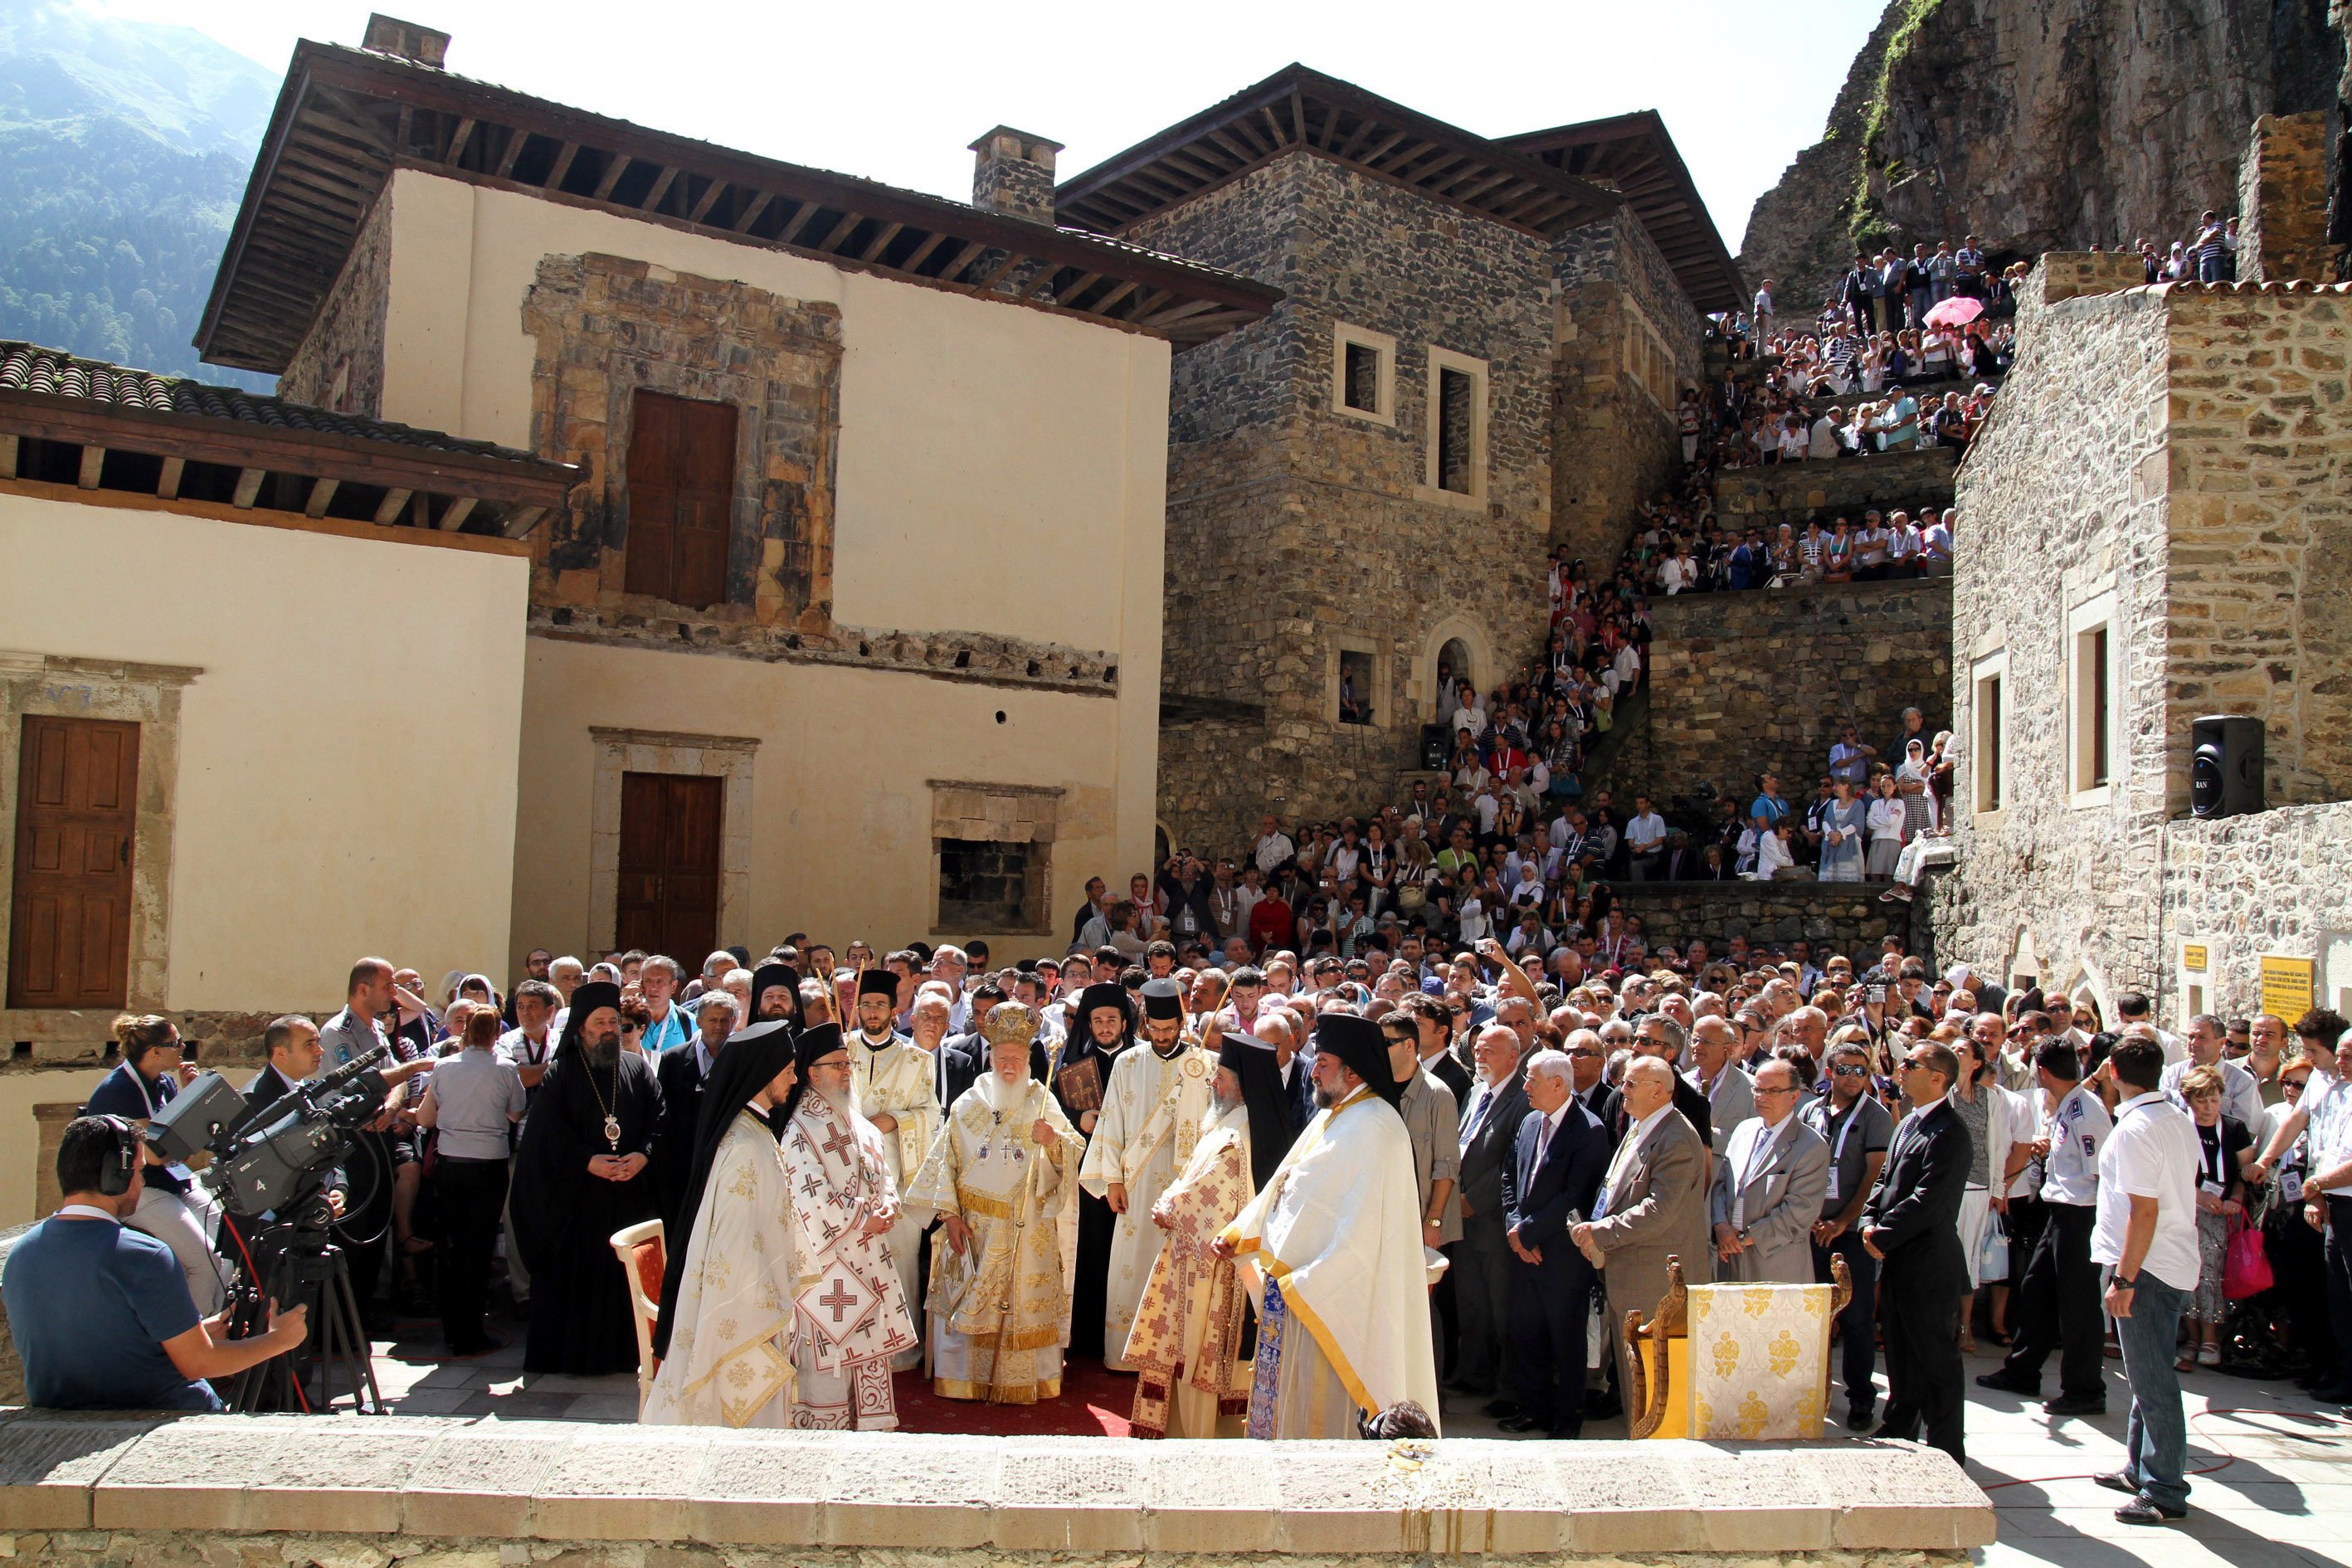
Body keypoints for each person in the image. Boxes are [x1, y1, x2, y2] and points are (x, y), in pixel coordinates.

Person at [1214, 1011, 1442, 1438]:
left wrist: (1308, 1281)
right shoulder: (1334, 1113)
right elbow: (1285, 1180)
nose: (1313, 1072)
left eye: (1322, 1063)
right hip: (1296, 1291)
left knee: (1328, 1412)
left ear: (1351, 1071)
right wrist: (1240, 1231)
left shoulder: (1377, 1126)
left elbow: (1363, 1233)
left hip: (1336, 1299)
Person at [2, 1116, 309, 1410]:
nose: (141, 1182)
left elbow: (98, 1345)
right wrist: (280, 1339)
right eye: (138, 1171)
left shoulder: (21, 1255)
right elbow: (200, 1363)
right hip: (165, 1416)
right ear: (116, 1175)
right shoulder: (144, 1256)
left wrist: (192, 1333)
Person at [904, 1002, 1086, 1403]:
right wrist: (950, 1217)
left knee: (1023, 1306)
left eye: (1017, 1058)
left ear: (1028, 1060)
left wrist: (1053, 1142)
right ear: (990, 1057)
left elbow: (1074, 1150)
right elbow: (943, 1162)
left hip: (1029, 1226)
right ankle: (966, 1381)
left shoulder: (1042, 1100)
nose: (1009, 1066)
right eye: (1002, 1057)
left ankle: (1024, 1382)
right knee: (972, 1301)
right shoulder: (969, 1103)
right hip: (975, 1228)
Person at [1125, 1028, 1297, 1438]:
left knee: (1201, 1352)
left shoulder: (1240, 1135)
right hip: (1197, 1260)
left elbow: (1213, 1201)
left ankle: (1197, 1435)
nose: (1212, 1084)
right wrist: (1170, 1199)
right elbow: (1190, 1175)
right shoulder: (1227, 1125)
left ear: (1241, 1087)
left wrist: (1169, 1208)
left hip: (1216, 1269)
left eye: (1219, 1078)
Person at [641, 1019, 801, 1427]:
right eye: (788, 1071)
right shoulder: (743, 1145)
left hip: (755, 1290)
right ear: (764, 1074)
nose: (794, 1079)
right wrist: (763, 1301)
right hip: (740, 1305)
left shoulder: (754, 1131)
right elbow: (734, 1246)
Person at [507, 981, 663, 1374]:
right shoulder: (561, 1073)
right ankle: (574, 1357)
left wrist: (642, 1155)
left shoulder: (637, 1068)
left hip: (628, 1197)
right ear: (581, 1028)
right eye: (600, 1023)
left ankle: (627, 1355)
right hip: (576, 1204)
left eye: (614, 1022)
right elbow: (546, 1136)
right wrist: (586, 1161)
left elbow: (661, 1119)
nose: (610, 1030)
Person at [778, 1022, 921, 1427]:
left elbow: (883, 1172)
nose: (846, 1072)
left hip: (869, 1256)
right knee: (831, 1357)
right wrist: (864, 1217)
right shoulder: (798, 1131)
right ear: (812, 1072)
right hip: (830, 1265)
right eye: (837, 1064)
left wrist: (890, 1203)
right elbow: (810, 1199)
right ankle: (823, 1435)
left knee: (869, 1347)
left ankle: (870, 1434)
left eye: (848, 1064)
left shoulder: (855, 1120)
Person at [2093, 1035, 2204, 1525]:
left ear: (2115, 1071)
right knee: (2145, 1374)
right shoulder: (2174, 1117)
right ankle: (2141, 1470)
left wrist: (2124, 1278)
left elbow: (2145, 1211)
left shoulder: (2138, 1128)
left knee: (2153, 1379)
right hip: (2164, 1261)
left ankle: (2164, 1489)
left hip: (2148, 1268)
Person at [1079, 976, 1215, 1371]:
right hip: (1136, 1185)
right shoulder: (1128, 1063)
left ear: (1182, 1025)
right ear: (1145, 1025)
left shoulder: (1203, 1065)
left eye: (1169, 1029)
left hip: (1185, 1184)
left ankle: (1174, 1355)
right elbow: (1112, 1122)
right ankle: (1127, 1354)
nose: (1162, 1036)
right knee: (1133, 1262)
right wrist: (1113, 1181)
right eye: (1155, 1029)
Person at [1981, 1039, 2111, 1414]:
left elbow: (2099, 1172)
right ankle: (2023, 1370)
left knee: (2078, 1305)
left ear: (2042, 1071)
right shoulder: (2069, 1103)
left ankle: (2085, 1389)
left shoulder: (2085, 1110)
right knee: (2036, 1290)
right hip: (2059, 1212)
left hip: (2080, 1215)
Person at [1571, 1055, 1710, 1402]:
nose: (1623, 1090)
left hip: (1655, 1282)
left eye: (1632, 1084)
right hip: (1630, 1274)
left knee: (1657, 1392)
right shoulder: (1642, 1125)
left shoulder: (1676, 1138)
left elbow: (1659, 1211)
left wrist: (1600, 1232)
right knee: (1638, 1390)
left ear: (1659, 1091)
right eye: (1624, 1082)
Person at [1863, 1040, 1970, 1464]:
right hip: (1899, 1261)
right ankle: (1900, 1427)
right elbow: (1885, 1180)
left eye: (1911, 1063)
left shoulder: (1949, 1132)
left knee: (1936, 1360)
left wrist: (1882, 1234)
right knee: (1901, 1353)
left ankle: (1946, 1448)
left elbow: (1930, 1200)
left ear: (1938, 1078)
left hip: (1929, 1264)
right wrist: (1868, 1221)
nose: (1901, 1068)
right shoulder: (1909, 1122)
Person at [82, 1013, 228, 1314]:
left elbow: (181, 1152)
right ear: (155, 1052)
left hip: (173, 1180)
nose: (184, 1047)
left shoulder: (164, 1083)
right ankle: (201, 1336)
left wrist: (191, 1098)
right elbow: (154, 1155)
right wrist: (189, 1121)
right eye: (176, 1042)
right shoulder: (119, 1091)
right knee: (205, 1262)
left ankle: (222, 1322)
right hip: (136, 1187)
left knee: (230, 1247)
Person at [1499, 1049, 1608, 1438]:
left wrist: (1526, 1233)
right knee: (1527, 1335)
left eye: (1532, 1079)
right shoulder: (1530, 1121)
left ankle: (1566, 1420)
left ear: (1558, 1083)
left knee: (1566, 1340)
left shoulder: (1589, 1130)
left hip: (1562, 1257)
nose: (1525, 1087)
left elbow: (1575, 1196)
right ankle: (1534, 1409)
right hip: (1525, 1251)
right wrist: (1515, 1228)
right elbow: (1510, 1177)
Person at [415, 1008, 526, 1357]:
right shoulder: (505, 1068)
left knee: (454, 1248)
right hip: (487, 1164)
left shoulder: (444, 1067)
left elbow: (425, 1117)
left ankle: (453, 1328)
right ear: (496, 1035)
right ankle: (471, 1331)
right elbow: (516, 1111)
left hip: (451, 1164)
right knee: (477, 1249)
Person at [848, 967, 942, 1370]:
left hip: (896, 1175)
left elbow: (931, 1113)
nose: (873, 1012)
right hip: (846, 1174)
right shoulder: (839, 1052)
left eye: (880, 1005)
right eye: (866, 1004)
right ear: (858, 1009)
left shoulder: (918, 1060)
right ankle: (849, 1346)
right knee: (849, 1261)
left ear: (895, 1011)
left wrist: (893, 1120)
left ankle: (899, 1350)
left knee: (899, 1261)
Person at [1804, 1034, 1894, 1428]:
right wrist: (1808, 1216)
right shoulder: (1811, 1111)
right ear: (1830, 1072)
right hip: (1811, 1229)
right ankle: (1810, 1391)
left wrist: (1843, 1221)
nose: (1854, 1076)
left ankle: (1860, 1397)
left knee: (1857, 1318)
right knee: (1812, 1316)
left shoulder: (1876, 1116)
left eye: (1861, 1070)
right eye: (1845, 1069)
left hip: (1852, 1234)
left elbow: (1874, 1177)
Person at [1446, 1023, 1529, 1412]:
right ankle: (1474, 1373)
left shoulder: (1523, 1097)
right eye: (1477, 1050)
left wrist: (1474, 1200)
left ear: (1513, 1056)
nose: (1480, 1056)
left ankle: (1509, 1387)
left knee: (1502, 1307)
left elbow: (1512, 1161)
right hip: (1463, 1216)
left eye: (1489, 1051)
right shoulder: (1476, 1091)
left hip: (1494, 1218)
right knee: (1471, 1301)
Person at [1710, 1057, 1830, 1283]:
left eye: (1773, 1091)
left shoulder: (1811, 1145)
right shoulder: (1744, 1130)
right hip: (1731, 1258)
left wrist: (1744, 1240)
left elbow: (1799, 1211)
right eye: (1758, 1089)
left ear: (1794, 1096)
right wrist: (1721, 1226)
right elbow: (1721, 1185)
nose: (1762, 1097)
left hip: (1777, 1262)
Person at [652, 991, 737, 1234]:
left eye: (724, 1020)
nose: (718, 1026)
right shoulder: (674, 1059)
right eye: (712, 1020)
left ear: (733, 1022)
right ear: (699, 1021)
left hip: (728, 1161)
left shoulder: (742, 1057)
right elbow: (664, 1113)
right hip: (686, 1164)